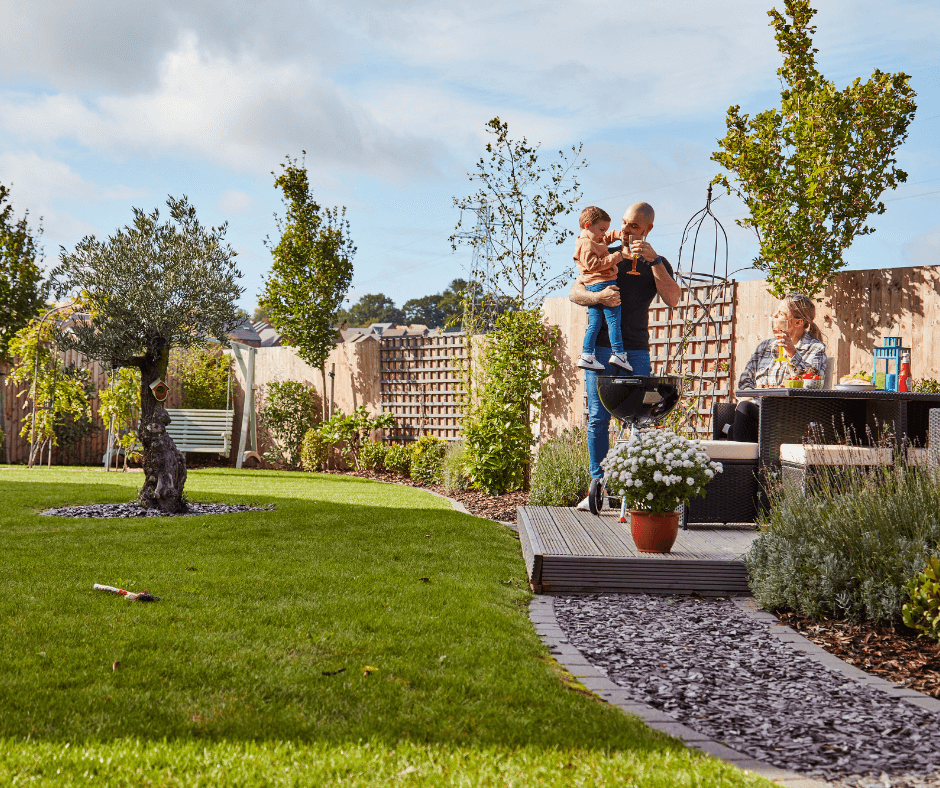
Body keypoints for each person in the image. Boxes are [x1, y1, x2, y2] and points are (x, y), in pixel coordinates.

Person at [569, 202, 681, 508]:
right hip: (602, 348)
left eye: (633, 226)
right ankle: (596, 486)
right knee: (598, 418)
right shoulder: (606, 251)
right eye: (624, 223)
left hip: (636, 351)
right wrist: (598, 296)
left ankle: (629, 487)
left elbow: (672, 298)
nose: (626, 230)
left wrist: (654, 260)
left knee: (638, 420)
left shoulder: (656, 262)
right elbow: (575, 291)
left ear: (648, 229)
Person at [724, 293, 828, 442]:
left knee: (742, 416)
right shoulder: (765, 347)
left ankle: (742, 463)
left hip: (789, 416)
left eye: (781, 314)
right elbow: (745, 380)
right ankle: (748, 462)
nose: (774, 316)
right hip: (759, 411)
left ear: (798, 322)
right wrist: (747, 397)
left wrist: (793, 354)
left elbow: (813, 383)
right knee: (743, 411)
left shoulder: (815, 348)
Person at [573, 206, 632, 373]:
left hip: (595, 285)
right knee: (614, 321)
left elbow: (603, 241)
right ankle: (619, 354)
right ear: (587, 225)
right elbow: (594, 265)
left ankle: (587, 355)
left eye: (605, 230)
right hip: (604, 283)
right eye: (601, 229)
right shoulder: (586, 244)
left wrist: (617, 235)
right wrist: (619, 256)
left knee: (595, 323)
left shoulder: (592, 240)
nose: (603, 234)